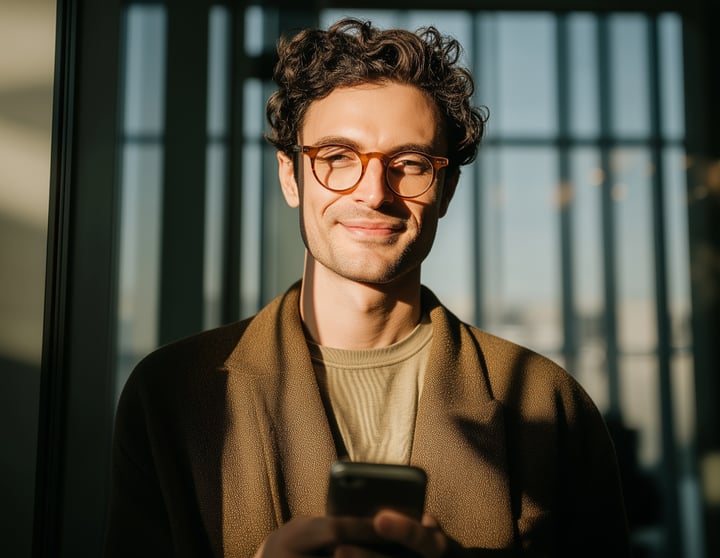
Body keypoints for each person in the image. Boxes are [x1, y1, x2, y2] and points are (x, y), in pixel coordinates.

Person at [104, 18, 631, 557]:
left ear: (446, 190)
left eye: (410, 164)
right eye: (337, 158)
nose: (374, 192)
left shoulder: (548, 402)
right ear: (291, 176)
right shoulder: (171, 394)